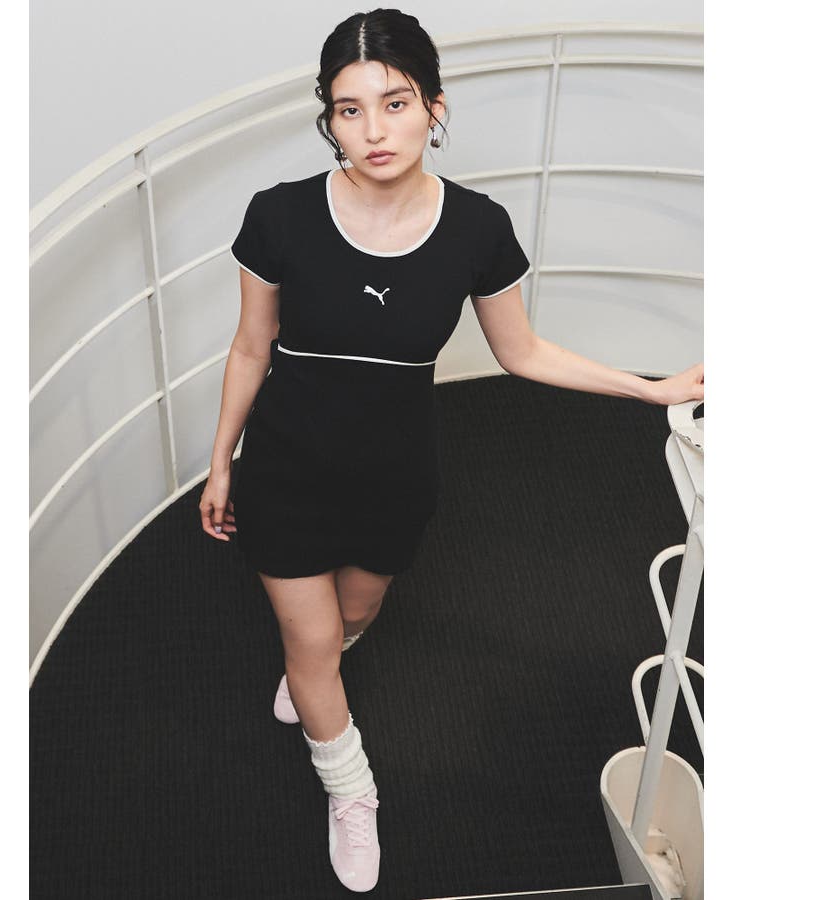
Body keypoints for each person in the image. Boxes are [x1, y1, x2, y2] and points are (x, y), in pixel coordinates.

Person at [198, 8, 704, 893]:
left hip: (395, 474)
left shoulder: (478, 228)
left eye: (394, 103)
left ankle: (322, 667)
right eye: (349, 109)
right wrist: (220, 463)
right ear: (329, 119)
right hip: (285, 472)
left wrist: (649, 388)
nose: (373, 130)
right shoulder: (277, 216)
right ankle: (349, 783)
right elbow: (249, 348)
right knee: (309, 642)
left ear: (435, 106)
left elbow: (522, 352)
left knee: (354, 616)